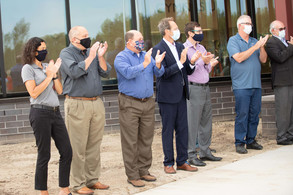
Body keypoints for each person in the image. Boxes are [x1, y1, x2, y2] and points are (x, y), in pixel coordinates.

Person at [59, 26, 111, 195]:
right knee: (77, 146)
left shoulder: (92, 52)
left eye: (88, 35)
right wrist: (91, 56)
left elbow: (106, 72)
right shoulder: (66, 53)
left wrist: (100, 57)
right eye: (85, 36)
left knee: (94, 145)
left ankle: (92, 179)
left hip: (96, 103)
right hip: (77, 104)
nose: (88, 38)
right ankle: (78, 183)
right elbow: (74, 72)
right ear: (74, 39)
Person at [21, 37, 72, 195]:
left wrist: (54, 74)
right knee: (44, 154)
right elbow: (34, 92)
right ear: (33, 51)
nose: (45, 51)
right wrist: (49, 76)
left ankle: (64, 189)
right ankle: (43, 192)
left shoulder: (46, 67)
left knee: (67, 151)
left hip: (55, 112)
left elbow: (60, 91)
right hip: (40, 112)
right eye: (41, 49)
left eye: (45, 48)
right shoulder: (27, 69)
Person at [114, 30, 165, 187]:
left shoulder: (146, 55)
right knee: (130, 141)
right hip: (130, 103)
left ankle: (144, 170)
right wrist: (144, 64)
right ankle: (132, 174)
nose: (142, 42)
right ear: (129, 41)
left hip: (148, 102)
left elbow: (159, 72)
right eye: (139, 39)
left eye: (142, 39)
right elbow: (128, 73)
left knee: (146, 138)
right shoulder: (121, 57)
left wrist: (156, 63)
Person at [151, 17, 201, 174]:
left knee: (182, 129)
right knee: (168, 130)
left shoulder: (180, 46)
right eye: (175, 28)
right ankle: (168, 163)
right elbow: (163, 74)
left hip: (181, 94)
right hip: (167, 97)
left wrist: (191, 62)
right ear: (167, 31)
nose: (178, 31)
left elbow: (187, 70)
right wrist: (180, 62)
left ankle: (182, 161)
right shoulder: (157, 49)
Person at [227, 15, 269, 154]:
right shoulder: (233, 41)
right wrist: (255, 47)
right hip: (241, 85)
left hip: (255, 84)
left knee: (254, 114)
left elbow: (263, 60)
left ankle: (251, 140)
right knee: (242, 114)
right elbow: (238, 58)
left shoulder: (254, 41)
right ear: (240, 26)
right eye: (248, 23)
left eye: (251, 23)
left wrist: (261, 47)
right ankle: (240, 142)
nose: (251, 26)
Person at [183, 22, 222, 167]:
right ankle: (191, 153)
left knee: (206, 120)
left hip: (205, 87)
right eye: (198, 31)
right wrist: (201, 61)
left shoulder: (201, 47)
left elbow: (205, 70)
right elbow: (188, 69)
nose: (201, 33)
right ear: (190, 33)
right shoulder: (184, 49)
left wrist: (209, 63)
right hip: (193, 88)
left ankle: (205, 151)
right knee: (192, 122)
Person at [265, 20, 293, 145]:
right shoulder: (271, 43)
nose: (283, 30)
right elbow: (280, 57)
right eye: (281, 28)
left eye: (284, 28)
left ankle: (290, 134)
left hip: (290, 79)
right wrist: (292, 47)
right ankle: (281, 136)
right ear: (273, 31)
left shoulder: (286, 42)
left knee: (291, 109)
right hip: (281, 81)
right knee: (283, 109)